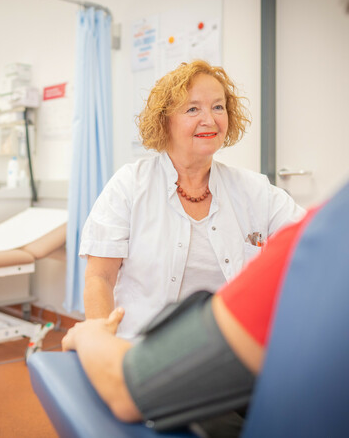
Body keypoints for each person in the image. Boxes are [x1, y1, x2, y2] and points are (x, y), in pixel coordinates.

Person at [62, 194, 330, 434]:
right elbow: (99, 277)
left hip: (229, 354)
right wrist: (100, 332)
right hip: (152, 349)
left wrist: (87, 336)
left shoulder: (265, 197)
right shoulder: (130, 187)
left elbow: (127, 392)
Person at [80, 60, 305, 338]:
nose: (209, 120)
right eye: (193, 109)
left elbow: (309, 238)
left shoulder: (253, 189)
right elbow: (99, 277)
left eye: (218, 107)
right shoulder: (129, 186)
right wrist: (102, 343)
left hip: (226, 347)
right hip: (142, 346)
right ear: (165, 120)